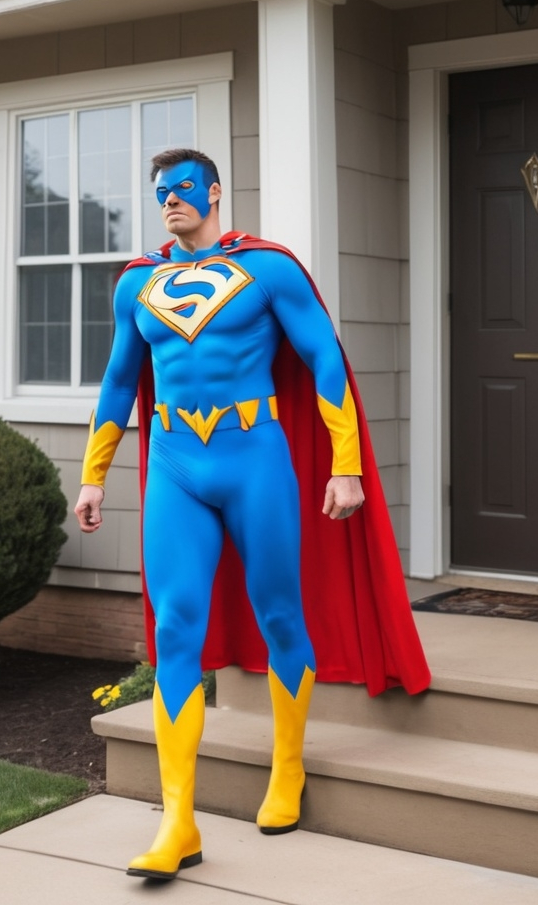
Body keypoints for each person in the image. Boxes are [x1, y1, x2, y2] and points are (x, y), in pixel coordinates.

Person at [74, 148, 429, 882]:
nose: (169, 202)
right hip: (174, 462)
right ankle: (178, 821)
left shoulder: (268, 268)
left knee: (279, 615)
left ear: (213, 194)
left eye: (181, 190)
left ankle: (288, 768)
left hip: (256, 456)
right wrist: (93, 478)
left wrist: (348, 464)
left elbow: (324, 359)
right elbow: (118, 381)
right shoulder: (138, 284)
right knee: (175, 626)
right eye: (160, 193)